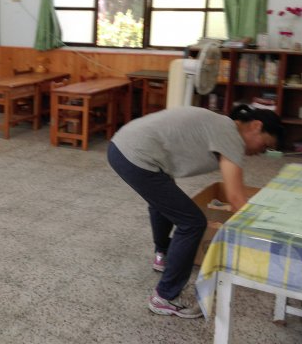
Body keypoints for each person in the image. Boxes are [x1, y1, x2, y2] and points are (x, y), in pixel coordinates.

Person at [107, 105, 282, 318]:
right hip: (135, 155)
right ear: (256, 126)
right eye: (265, 145)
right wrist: (269, 235)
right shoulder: (231, 135)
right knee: (192, 222)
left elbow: (236, 189)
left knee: (164, 202)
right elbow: (236, 198)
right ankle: (164, 297)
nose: (260, 153)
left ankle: (163, 255)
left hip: (122, 145)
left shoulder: (223, 126)